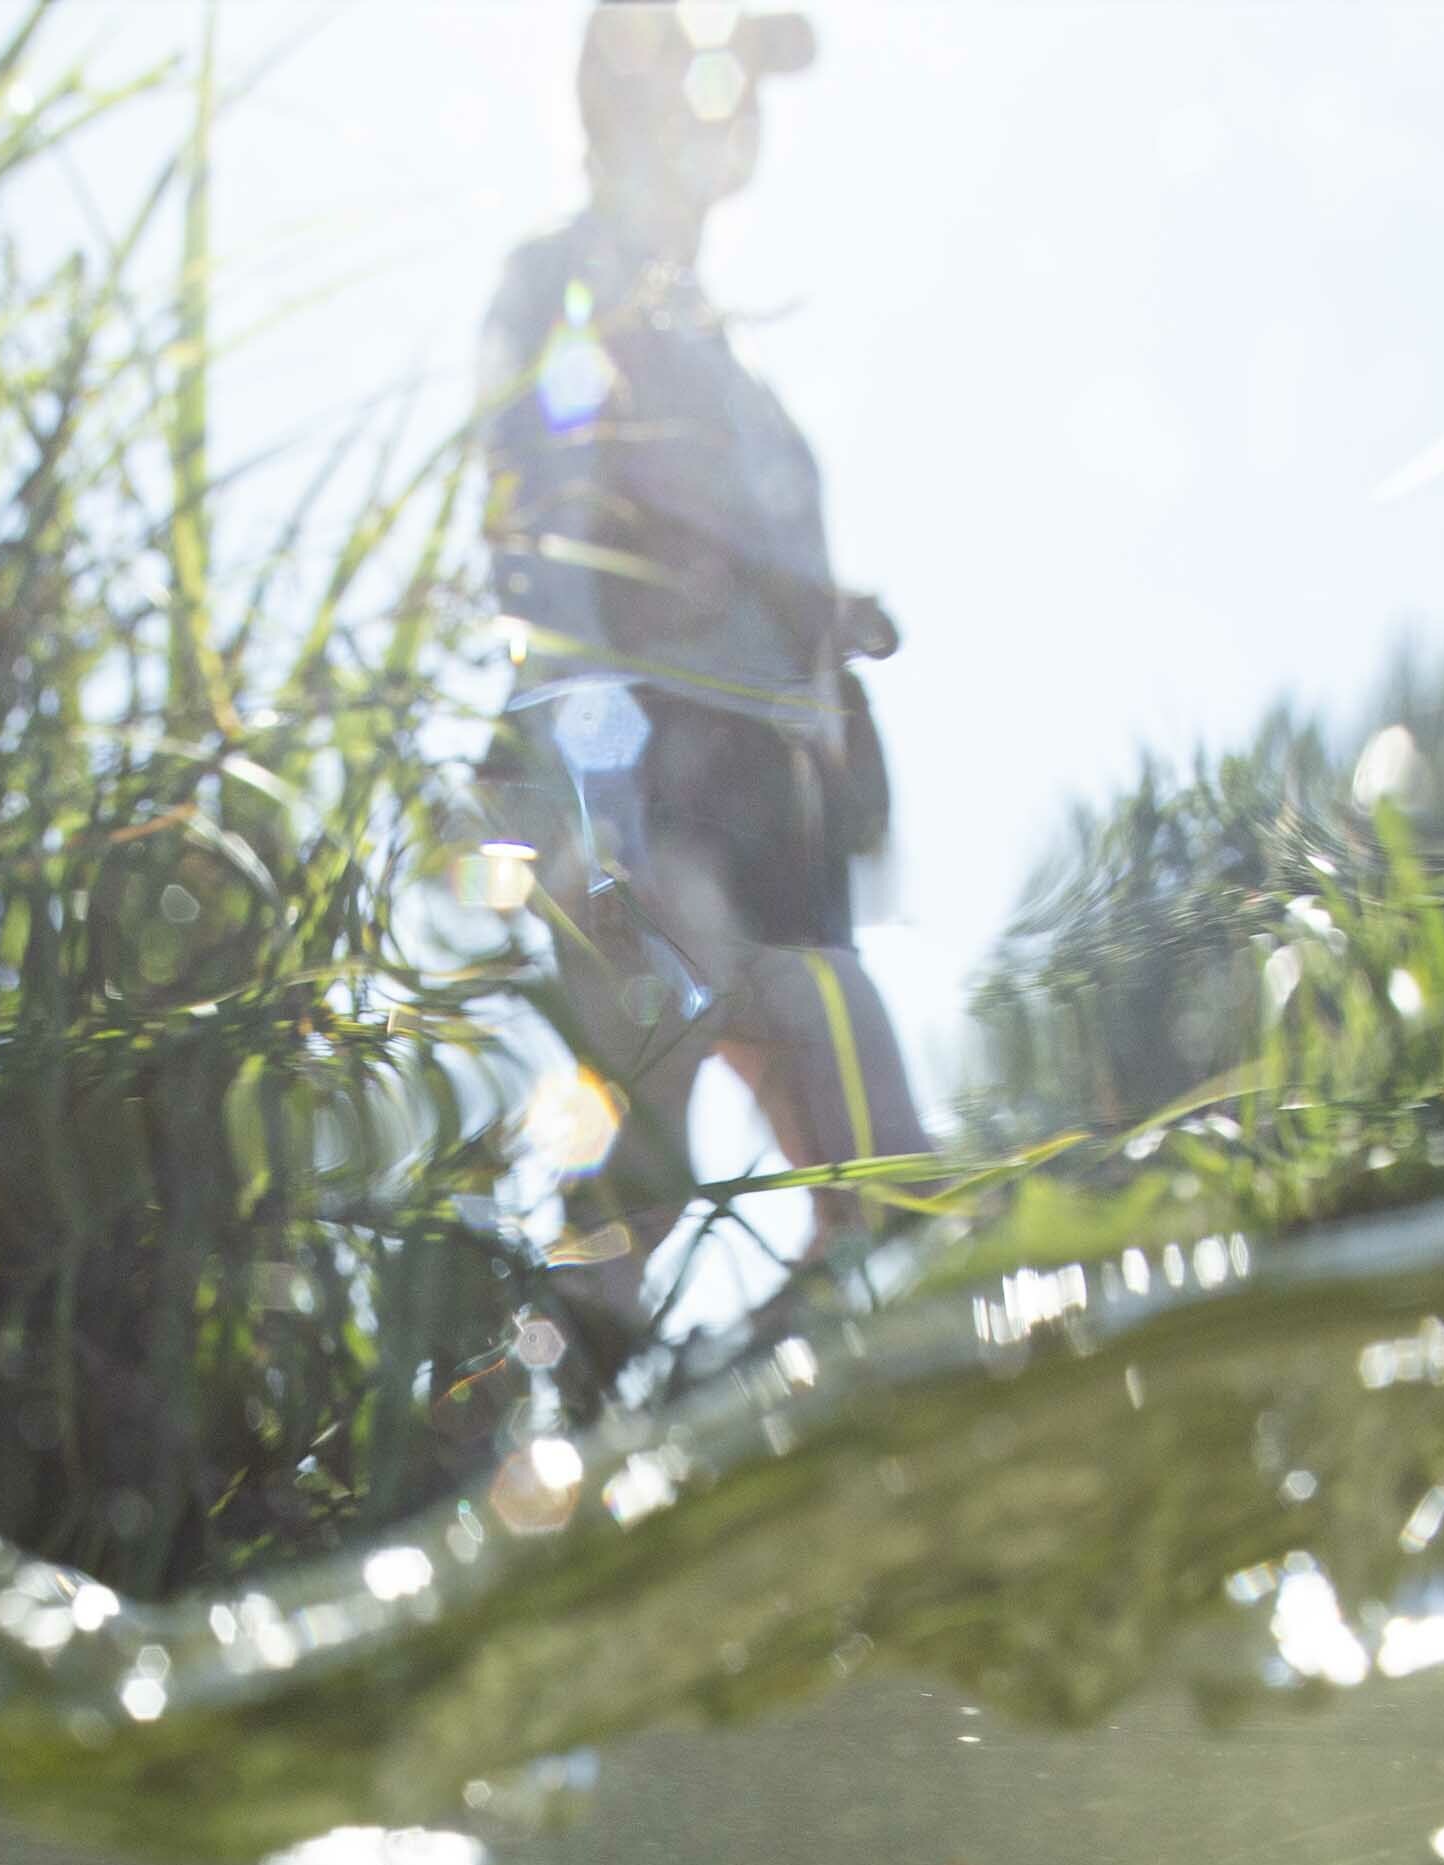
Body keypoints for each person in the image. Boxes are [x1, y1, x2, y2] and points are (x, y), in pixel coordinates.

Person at [482, 2, 930, 1380]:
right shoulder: (565, 282)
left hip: (774, 803)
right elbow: (535, 539)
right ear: (621, 103)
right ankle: (506, 1439)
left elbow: (759, 593)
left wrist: (820, 622)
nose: (730, 123)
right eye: (697, 90)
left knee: (892, 1186)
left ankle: (763, 1414)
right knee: (651, 1161)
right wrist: (591, 813)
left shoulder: (748, 381)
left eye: (737, 101)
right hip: (636, 779)